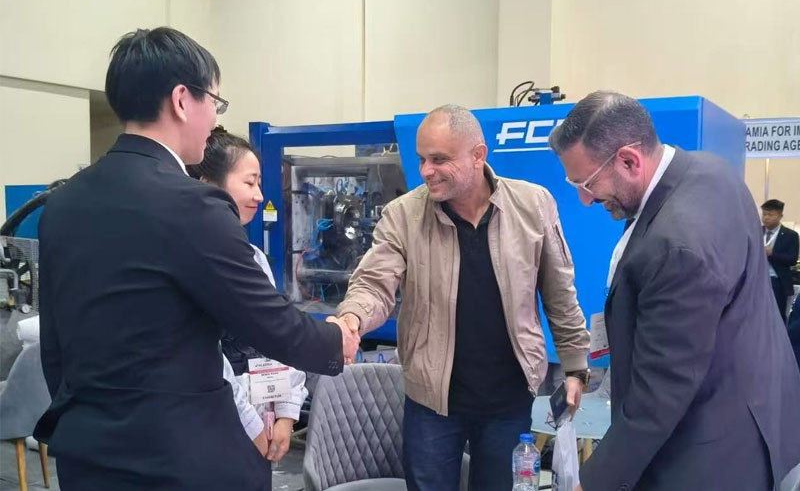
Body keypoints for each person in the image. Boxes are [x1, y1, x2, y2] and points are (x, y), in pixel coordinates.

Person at [33, 27, 358, 491]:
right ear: (182, 100)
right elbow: (268, 323)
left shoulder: (63, 203)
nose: (213, 120)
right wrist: (335, 339)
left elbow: (55, 346)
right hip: (177, 459)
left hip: (86, 455)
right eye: (215, 103)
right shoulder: (193, 204)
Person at [549, 90, 800, 491]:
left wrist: (592, 484)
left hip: (711, 453)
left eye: (587, 182)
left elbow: (659, 394)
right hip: (756, 407)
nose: (583, 199)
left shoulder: (676, 245)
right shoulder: (710, 171)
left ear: (629, 160)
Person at [332, 104, 590, 491]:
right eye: (421, 159)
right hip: (432, 402)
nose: (426, 171)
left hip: (509, 398)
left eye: (439, 159)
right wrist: (351, 318)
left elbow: (560, 292)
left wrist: (575, 367)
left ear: (478, 155)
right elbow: (374, 281)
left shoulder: (533, 205)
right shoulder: (404, 215)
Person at [187, 127, 308, 482]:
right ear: (209, 186)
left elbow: (276, 336)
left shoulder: (254, 258)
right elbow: (207, 359)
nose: (259, 195)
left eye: (259, 183)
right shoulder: (189, 261)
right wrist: (252, 425)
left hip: (261, 421)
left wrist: (285, 413)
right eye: (249, 182)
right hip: (212, 425)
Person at [761, 199, 799, 323]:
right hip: (756, 279)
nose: (766, 218)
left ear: (780, 215)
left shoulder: (790, 235)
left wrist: (772, 254)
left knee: (776, 316)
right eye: (764, 214)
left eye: (770, 214)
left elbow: (792, 259)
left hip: (777, 280)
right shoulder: (756, 232)